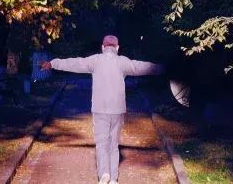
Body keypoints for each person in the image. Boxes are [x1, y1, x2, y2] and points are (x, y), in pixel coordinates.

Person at [37, 35, 165, 184]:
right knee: (114, 145)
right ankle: (114, 179)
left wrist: (52, 64)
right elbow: (142, 67)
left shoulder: (95, 60)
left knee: (102, 143)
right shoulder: (122, 62)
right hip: (118, 110)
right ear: (117, 48)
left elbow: (74, 63)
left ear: (103, 47)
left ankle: (104, 174)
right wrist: (163, 68)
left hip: (100, 109)